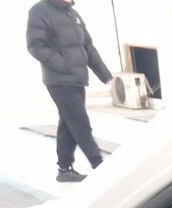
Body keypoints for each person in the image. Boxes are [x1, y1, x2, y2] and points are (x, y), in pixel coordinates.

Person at [27, 0, 113, 182]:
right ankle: (99, 164)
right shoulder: (40, 11)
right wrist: (62, 64)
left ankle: (64, 169)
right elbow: (35, 45)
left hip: (77, 79)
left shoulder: (72, 14)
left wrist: (105, 75)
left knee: (68, 122)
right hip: (58, 79)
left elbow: (88, 47)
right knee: (80, 122)